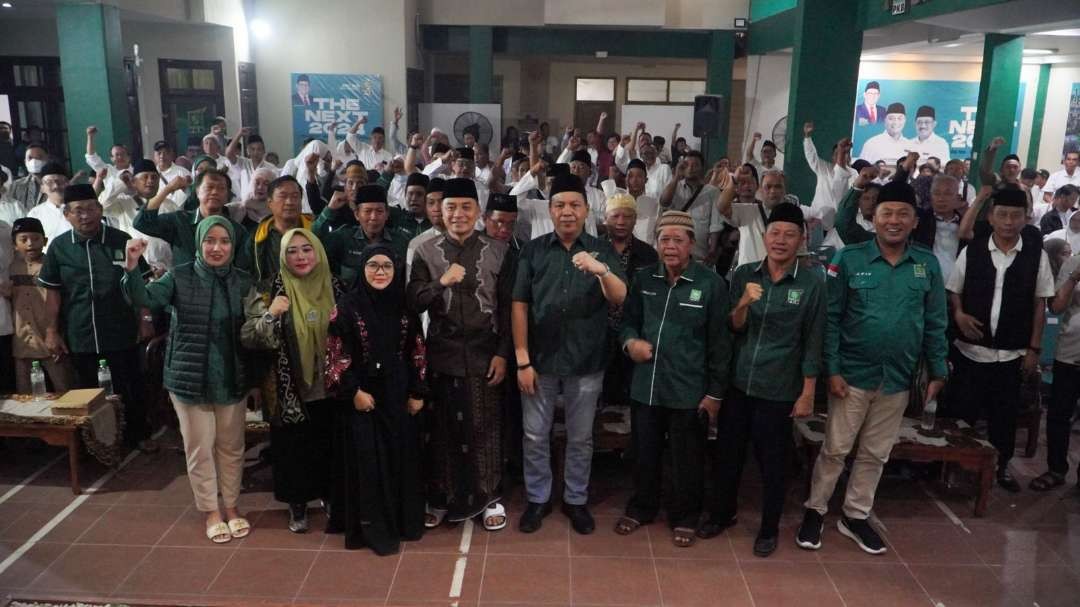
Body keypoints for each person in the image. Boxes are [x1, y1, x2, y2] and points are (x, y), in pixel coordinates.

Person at [797, 178, 948, 555]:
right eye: (886, 213)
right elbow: (830, 318)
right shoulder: (850, 258)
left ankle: (855, 515)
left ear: (915, 220)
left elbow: (936, 321)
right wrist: (831, 368)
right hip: (851, 375)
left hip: (897, 377)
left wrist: (938, 370)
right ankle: (815, 510)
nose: (894, 220)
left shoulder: (926, 265)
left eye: (903, 214)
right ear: (874, 217)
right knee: (835, 448)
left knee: (876, 452)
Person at [122, 216, 255, 543]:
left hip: (231, 377)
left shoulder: (243, 280)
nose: (217, 247)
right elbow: (144, 298)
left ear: (233, 245)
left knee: (232, 447)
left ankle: (233, 506)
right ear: (198, 243)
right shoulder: (179, 276)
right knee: (200, 448)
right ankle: (211, 510)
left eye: (224, 241)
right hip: (189, 378)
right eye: (209, 240)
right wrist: (131, 267)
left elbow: (254, 331)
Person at [706, 203, 824, 557]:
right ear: (764, 236)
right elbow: (732, 326)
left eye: (790, 234)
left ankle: (769, 528)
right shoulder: (744, 274)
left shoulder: (811, 284)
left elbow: (813, 341)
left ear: (801, 239)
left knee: (773, 462)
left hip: (779, 388)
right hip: (739, 383)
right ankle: (722, 514)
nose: (781, 241)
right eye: (775, 233)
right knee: (728, 455)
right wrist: (742, 303)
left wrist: (807, 393)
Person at [512, 173, 627, 535]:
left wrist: (601, 270)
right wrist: (522, 358)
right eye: (560, 205)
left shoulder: (601, 249)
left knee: (581, 437)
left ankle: (576, 499)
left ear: (586, 211)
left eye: (574, 205)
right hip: (539, 361)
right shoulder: (533, 250)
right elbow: (519, 305)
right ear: (550, 210)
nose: (567, 212)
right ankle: (538, 499)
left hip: (586, 361)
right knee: (534, 435)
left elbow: (620, 297)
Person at [615, 210, 730, 548]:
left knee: (687, 458)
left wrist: (715, 394)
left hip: (689, 390)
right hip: (646, 386)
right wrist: (629, 343)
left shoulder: (711, 284)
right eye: (664, 239)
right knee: (644, 452)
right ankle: (643, 507)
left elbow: (720, 345)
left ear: (692, 245)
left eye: (678, 240)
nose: (670, 246)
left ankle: (686, 515)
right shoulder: (644, 278)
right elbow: (627, 323)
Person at [407, 178, 513, 531]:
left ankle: (490, 497)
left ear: (478, 212)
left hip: (486, 353)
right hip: (443, 353)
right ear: (440, 210)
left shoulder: (499, 251)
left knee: (486, 427)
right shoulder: (425, 251)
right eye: (451, 207)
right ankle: (441, 497)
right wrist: (441, 283)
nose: (458, 214)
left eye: (466, 207)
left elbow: (510, 307)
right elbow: (413, 300)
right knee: (442, 430)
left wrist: (502, 354)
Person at [946, 187, 1054, 492]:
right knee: (963, 412)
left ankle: (1000, 468)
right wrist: (959, 315)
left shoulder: (1036, 256)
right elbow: (954, 289)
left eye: (1015, 215)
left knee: (1003, 417)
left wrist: (1034, 349)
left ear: (1026, 218)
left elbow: (1039, 304)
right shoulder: (974, 250)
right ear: (991, 217)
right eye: (1002, 214)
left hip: (1011, 354)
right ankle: (958, 466)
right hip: (970, 351)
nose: (1008, 221)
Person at [325, 243, 427, 554]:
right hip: (362, 397)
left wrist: (417, 392)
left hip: (398, 395)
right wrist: (353, 391)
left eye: (387, 266)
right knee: (369, 462)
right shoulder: (346, 307)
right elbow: (335, 356)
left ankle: (402, 522)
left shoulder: (405, 306)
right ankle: (371, 529)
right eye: (373, 266)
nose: (380, 272)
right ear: (362, 269)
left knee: (401, 458)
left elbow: (418, 350)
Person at [242, 228, 342, 532]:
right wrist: (271, 314)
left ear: (318, 252)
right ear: (282, 255)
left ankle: (329, 495)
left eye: (307, 249)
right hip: (288, 388)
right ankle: (297, 504)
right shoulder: (268, 290)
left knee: (330, 443)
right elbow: (248, 337)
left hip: (332, 386)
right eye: (292, 251)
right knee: (292, 448)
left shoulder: (335, 286)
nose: (300, 257)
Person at [39, 184, 153, 450]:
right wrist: (51, 331)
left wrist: (145, 318)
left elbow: (141, 284)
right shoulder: (59, 247)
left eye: (91, 209)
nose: (85, 215)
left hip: (121, 329)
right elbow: (53, 294)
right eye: (78, 211)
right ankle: (96, 445)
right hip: (80, 333)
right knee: (86, 392)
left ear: (100, 210)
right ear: (66, 214)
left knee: (129, 386)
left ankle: (138, 437)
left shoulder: (121, 240)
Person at [599, 193, 658, 415]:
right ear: (606, 218)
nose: (621, 222)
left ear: (636, 220)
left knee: (631, 392)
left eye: (627, 216)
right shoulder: (593, 249)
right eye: (615, 216)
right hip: (598, 330)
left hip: (634, 330)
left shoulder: (648, 254)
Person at [135, 167, 253, 271]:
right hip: (183, 292)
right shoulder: (179, 221)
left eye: (221, 188)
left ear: (227, 195)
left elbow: (242, 273)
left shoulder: (237, 231)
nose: (215, 192)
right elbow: (142, 223)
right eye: (209, 187)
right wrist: (168, 189)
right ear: (197, 191)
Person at [1032, 243, 1080, 491]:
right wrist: (1074, 276)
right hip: (1069, 352)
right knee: (1059, 414)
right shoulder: (1073, 262)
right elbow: (1056, 306)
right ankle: (1056, 469)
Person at [8, 217, 75, 393]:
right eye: (23, 239)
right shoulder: (10, 268)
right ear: (14, 244)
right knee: (25, 397)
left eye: (36, 238)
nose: (30, 244)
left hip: (51, 342)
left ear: (45, 241)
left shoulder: (53, 266)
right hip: (22, 343)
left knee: (64, 391)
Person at [318, 184, 409, 289]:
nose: (374, 217)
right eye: (367, 211)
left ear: (387, 214)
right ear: (357, 214)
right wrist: (329, 210)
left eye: (379, 211)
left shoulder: (401, 242)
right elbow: (314, 240)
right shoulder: (343, 238)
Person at [97, 158, 173, 273]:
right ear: (134, 181)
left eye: (154, 177)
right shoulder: (124, 203)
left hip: (167, 269)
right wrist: (121, 183)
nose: (150, 181)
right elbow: (100, 207)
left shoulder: (169, 204)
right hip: (136, 270)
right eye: (145, 177)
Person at [247, 176, 314, 286]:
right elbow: (248, 275)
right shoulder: (256, 236)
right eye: (283, 196)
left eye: (295, 196)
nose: (289, 202)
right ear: (269, 203)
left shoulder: (315, 230)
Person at [658, 151, 722, 263]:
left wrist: (712, 250)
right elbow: (664, 202)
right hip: (674, 250)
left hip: (700, 253)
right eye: (687, 165)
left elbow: (715, 224)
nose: (691, 168)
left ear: (702, 168)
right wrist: (676, 176)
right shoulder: (675, 187)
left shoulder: (713, 192)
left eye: (695, 165)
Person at [26, 162, 70, 247]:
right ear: (42, 188)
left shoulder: (79, 209)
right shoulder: (35, 214)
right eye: (49, 182)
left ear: (68, 184)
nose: (56, 186)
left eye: (60, 181)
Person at [84, 125, 132, 192]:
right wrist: (90, 136)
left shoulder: (137, 171)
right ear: (111, 159)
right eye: (117, 155)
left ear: (129, 157)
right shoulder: (107, 170)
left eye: (123, 154)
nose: (120, 157)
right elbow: (92, 157)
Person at [9, 144, 49, 215]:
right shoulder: (16, 185)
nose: (34, 161)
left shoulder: (56, 185)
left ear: (48, 160)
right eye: (30, 158)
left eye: (39, 157)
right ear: (25, 162)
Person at [389, 172, 431, 239]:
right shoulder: (397, 217)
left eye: (419, 194)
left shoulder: (435, 222)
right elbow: (375, 201)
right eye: (410, 194)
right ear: (405, 195)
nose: (414, 198)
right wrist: (387, 173)